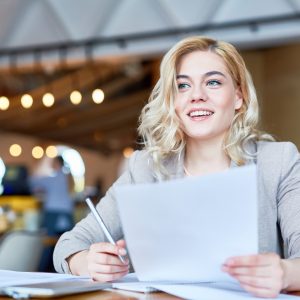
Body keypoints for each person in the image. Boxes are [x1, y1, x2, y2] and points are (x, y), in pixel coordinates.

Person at [53, 36, 300, 298]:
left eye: (213, 82)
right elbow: (67, 246)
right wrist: (86, 262)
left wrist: (284, 272)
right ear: (172, 101)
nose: (196, 96)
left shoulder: (277, 162)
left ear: (239, 96)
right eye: (182, 86)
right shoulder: (145, 168)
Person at [30, 155, 74, 236]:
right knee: (67, 239)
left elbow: (32, 182)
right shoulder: (67, 177)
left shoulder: (53, 178)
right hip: (67, 211)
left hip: (53, 211)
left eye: (53, 162)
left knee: (48, 239)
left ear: (57, 163)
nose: (51, 164)